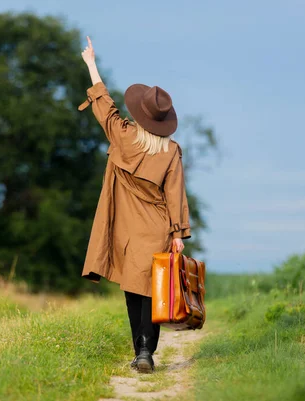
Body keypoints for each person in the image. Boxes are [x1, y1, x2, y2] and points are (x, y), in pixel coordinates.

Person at [79, 37, 192, 373]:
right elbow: (176, 193)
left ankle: (139, 349)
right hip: (157, 227)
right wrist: (178, 233)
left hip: (125, 229)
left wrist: (91, 63)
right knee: (152, 290)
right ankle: (147, 350)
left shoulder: (123, 135)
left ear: (141, 114)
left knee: (133, 288)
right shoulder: (170, 152)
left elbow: (104, 107)